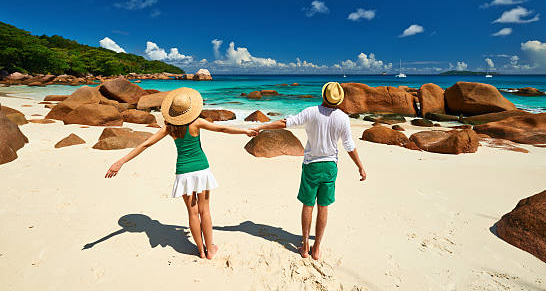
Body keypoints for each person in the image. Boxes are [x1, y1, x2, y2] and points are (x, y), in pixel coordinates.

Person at [105, 87, 257, 259]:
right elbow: (221, 129)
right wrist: (245, 131)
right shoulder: (196, 123)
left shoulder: (169, 128)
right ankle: (210, 250)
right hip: (201, 170)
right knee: (205, 211)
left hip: (183, 172)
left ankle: (200, 250)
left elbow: (145, 145)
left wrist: (120, 162)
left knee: (192, 213)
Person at [250, 82, 366, 260]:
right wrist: (360, 166)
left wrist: (260, 127)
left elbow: (285, 122)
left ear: (323, 96)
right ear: (339, 100)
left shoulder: (311, 112)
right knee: (323, 207)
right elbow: (349, 146)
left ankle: (305, 246)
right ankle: (317, 248)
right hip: (329, 167)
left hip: (311, 165)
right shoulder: (342, 118)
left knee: (308, 205)